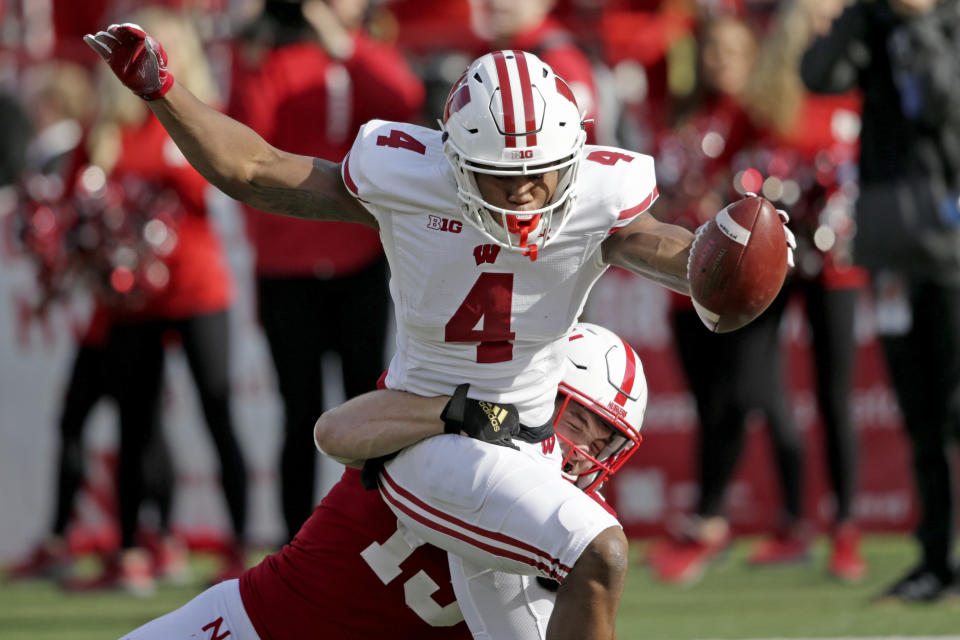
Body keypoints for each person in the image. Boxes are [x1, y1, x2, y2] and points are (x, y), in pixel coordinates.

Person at [84, 24, 792, 637]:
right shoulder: (411, 180)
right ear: (453, 161)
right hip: (431, 441)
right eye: (497, 178)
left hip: (518, 449)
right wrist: (163, 91)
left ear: (571, 159)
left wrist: (727, 260)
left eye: (540, 177)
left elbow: (674, 252)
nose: (521, 194)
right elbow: (256, 168)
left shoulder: (598, 201)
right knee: (598, 549)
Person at [118, 322, 644, 639]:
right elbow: (336, 430)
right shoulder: (463, 434)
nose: (585, 453)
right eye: (579, 422)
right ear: (542, 395)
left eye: (604, 444)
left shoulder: (576, 535)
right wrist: (456, 412)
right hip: (254, 626)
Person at [228, 0, 424, 542]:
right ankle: (298, 543)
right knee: (299, 414)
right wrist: (251, 52)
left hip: (358, 259)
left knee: (371, 404)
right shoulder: (268, 55)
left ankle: (378, 533)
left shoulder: (363, 51)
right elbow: (246, 138)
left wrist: (342, 42)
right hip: (286, 265)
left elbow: (403, 100)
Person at [73, 8, 248, 594]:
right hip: (132, 301)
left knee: (218, 412)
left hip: (198, 289)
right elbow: (79, 198)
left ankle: (243, 546)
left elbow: (218, 185)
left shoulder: (200, 118)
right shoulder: (107, 125)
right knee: (135, 424)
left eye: (162, 50)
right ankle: (132, 549)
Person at [802, 0, 960, 601]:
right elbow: (818, 77)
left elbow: (944, 104)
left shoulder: (946, 23)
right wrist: (850, 17)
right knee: (920, 417)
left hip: (950, 247)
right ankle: (933, 561)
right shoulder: (873, 21)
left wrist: (918, 24)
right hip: (891, 251)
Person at [645, 12, 806, 585]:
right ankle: (714, 521)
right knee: (711, 405)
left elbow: (774, 184)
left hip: (743, 284)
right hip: (685, 282)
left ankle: (725, 521)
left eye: (734, 52)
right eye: (713, 51)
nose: (722, 62)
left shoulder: (761, 114)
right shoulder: (681, 113)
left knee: (748, 396)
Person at [743, 0, 868, 581]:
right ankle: (792, 521)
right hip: (776, 257)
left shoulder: (861, 80)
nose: (826, 16)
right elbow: (741, 159)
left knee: (833, 393)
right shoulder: (771, 88)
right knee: (761, 383)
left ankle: (845, 528)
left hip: (839, 263)